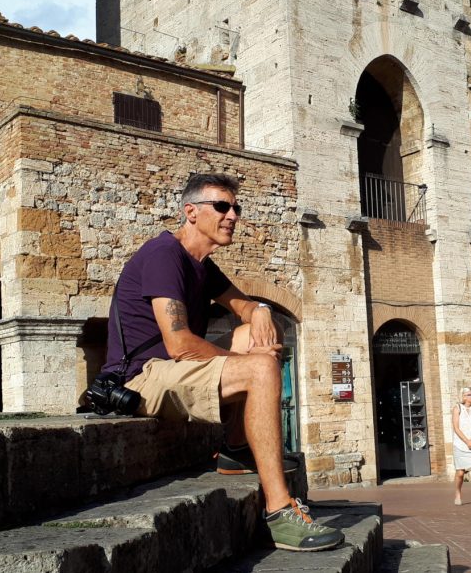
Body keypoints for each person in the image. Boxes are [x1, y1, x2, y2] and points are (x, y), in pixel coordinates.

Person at [100, 173, 343, 552]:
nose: (232, 215)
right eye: (222, 207)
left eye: (235, 208)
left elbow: (242, 305)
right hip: (141, 378)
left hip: (173, 370)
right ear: (191, 212)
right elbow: (179, 344)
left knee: (255, 334)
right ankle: (280, 512)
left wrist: (260, 310)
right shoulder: (165, 256)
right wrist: (251, 363)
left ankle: (235, 450)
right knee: (260, 365)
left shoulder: (201, 264)